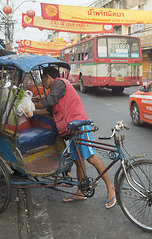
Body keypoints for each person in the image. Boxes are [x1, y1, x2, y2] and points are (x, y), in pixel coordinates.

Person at [33, 66, 116, 209]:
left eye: (43, 79)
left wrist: (32, 105)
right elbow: (48, 109)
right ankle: (80, 192)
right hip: (72, 129)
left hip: (80, 126)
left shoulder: (59, 83)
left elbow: (48, 101)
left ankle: (110, 188)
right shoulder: (56, 88)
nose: (42, 83)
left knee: (91, 158)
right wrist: (32, 112)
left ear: (47, 77)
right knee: (78, 161)